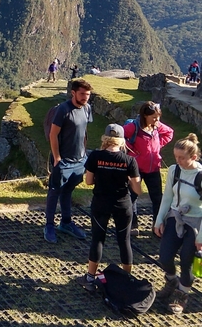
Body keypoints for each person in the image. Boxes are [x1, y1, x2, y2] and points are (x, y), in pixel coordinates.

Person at [77, 124, 141, 292]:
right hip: (123, 204)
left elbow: (88, 181)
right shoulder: (129, 160)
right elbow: (137, 189)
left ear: (105, 139)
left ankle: (90, 278)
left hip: (101, 203)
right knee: (124, 241)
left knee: (98, 239)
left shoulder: (96, 156)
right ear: (121, 141)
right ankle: (126, 279)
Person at [154, 133, 202, 315]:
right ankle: (172, 280)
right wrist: (159, 220)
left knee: (186, 262)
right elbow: (168, 197)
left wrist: (201, 236)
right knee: (165, 257)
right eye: (176, 157)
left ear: (194, 157)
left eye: (182, 158)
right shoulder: (175, 170)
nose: (178, 161)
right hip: (176, 217)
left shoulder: (200, 176)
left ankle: (181, 294)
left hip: (196, 222)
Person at [44, 79, 93, 243]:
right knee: (54, 192)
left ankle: (66, 222)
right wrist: (57, 157)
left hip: (79, 161)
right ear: (73, 93)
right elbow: (53, 134)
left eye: (87, 94)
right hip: (64, 162)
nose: (85, 97)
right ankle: (49, 226)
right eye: (82, 94)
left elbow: (84, 132)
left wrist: (84, 155)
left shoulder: (87, 108)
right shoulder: (63, 110)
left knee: (68, 191)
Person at [123, 101, 173, 233]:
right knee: (132, 196)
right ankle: (132, 225)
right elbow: (119, 136)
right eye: (154, 117)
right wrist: (132, 150)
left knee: (157, 198)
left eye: (158, 117)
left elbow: (169, 133)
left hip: (154, 169)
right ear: (145, 115)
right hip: (136, 169)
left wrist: (157, 146)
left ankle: (157, 225)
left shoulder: (157, 126)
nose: (157, 119)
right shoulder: (134, 127)